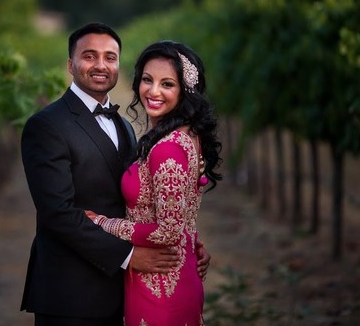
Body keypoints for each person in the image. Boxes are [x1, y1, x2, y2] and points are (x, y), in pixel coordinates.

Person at [20, 23, 211, 326]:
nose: (100, 65)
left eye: (110, 57)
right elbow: (57, 213)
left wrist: (185, 243)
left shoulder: (125, 126)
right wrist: (128, 256)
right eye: (89, 56)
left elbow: (144, 201)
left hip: (122, 290)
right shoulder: (46, 126)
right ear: (71, 64)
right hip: (71, 293)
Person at [86, 40, 222, 326]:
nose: (154, 91)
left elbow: (169, 231)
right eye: (147, 80)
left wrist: (103, 223)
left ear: (186, 91)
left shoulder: (167, 148)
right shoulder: (187, 137)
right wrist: (193, 243)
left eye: (167, 84)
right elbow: (181, 217)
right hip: (172, 274)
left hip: (160, 285)